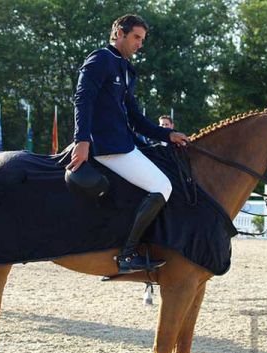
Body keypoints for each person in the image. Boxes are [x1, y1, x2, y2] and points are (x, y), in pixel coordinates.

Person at [67, 14, 188, 275]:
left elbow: (136, 118)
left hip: (125, 143)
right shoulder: (101, 59)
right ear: (118, 34)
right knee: (161, 186)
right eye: (136, 37)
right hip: (107, 146)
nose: (140, 44)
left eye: (142, 40)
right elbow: (82, 99)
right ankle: (127, 255)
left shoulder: (126, 69)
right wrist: (82, 140)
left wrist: (167, 135)